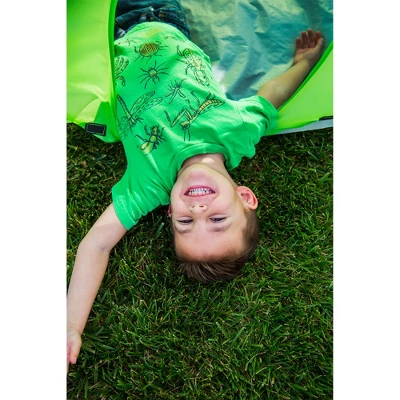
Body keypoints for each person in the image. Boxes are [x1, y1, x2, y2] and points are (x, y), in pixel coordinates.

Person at [67, 0, 325, 371]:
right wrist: (305, 62)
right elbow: (272, 95)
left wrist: (71, 326)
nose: (199, 211)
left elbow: (97, 244)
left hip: (115, 31)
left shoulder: (149, 183)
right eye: (218, 220)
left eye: (185, 223)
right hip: (168, 19)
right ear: (245, 197)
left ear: (170, 212)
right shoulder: (238, 132)